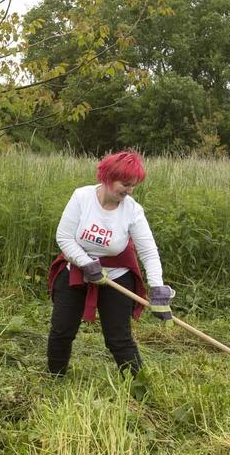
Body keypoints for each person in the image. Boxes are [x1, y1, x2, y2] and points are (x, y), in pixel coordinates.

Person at [46, 150, 174, 378]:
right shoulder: (82, 197)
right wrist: (87, 263)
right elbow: (64, 237)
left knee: (119, 338)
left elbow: (148, 251)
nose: (129, 190)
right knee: (61, 331)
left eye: (133, 185)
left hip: (116, 277)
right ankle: (55, 379)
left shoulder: (133, 210)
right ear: (107, 177)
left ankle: (138, 386)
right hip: (75, 270)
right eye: (125, 184)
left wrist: (158, 288)